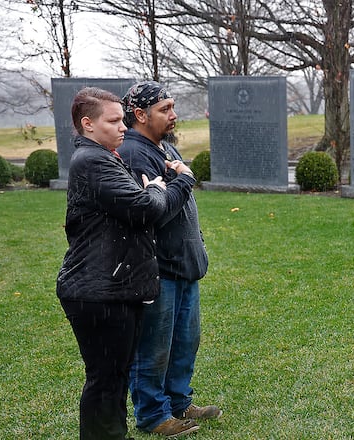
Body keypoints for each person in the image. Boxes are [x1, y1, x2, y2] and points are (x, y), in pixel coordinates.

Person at [56, 87, 196, 439]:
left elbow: (140, 204)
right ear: (88, 124)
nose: (123, 127)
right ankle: (136, 422)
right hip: (99, 288)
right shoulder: (94, 161)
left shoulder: (106, 156)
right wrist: (165, 187)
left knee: (112, 378)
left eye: (122, 119)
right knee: (106, 380)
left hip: (112, 284)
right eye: (115, 120)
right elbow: (146, 208)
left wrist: (156, 190)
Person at [117, 81, 220, 437]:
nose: (174, 115)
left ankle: (179, 402)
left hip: (185, 266)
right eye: (165, 109)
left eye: (173, 107)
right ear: (140, 114)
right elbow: (154, 213)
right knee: (153, 349)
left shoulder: (164, 147)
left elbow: (182, 205)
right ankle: (152, 414)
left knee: (184, 342)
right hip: (158, 270)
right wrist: (185, 180)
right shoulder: (134, 154)